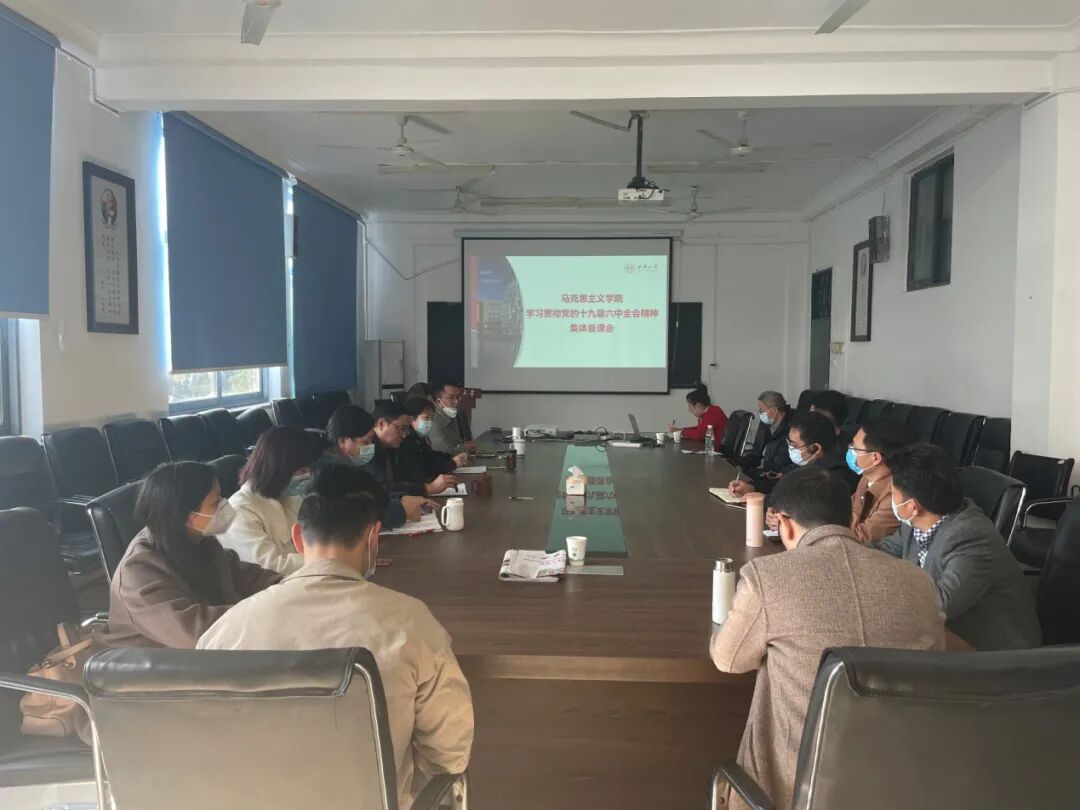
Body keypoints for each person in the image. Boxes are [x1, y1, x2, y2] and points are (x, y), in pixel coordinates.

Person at [199, 464, 474, 810]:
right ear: (373, 538)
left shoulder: (228, 629)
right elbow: (449, 750)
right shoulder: (411, 623)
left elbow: (208, 742)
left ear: (297, 538)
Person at [711, 467, 945, 810]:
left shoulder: (768, 577)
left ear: (784, 523)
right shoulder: (918, 581)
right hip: (898, 787)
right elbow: (935, 661)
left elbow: (728, 659)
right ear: (850, 518)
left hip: (795, 792)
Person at [873, 444, 1042, 650]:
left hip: (993, 651)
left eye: (892, 493)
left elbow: (940, 604)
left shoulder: (970, 537)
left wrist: (880, 592)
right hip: (946, 632)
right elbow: (883, 549)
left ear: (913, 506)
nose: (890, 499)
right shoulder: (916, 523)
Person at [105, 462, 280, 648]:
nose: (225, 506)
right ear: (187, 514)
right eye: (216, 502)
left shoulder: (198, 541)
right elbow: (197, 632)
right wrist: (267, 611)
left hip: (202, 653)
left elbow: (244, 576)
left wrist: (290, 587)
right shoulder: (137, 573)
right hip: (151, 662)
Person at [217, 426, 328, 575]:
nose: (307, 476)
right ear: (278, 470)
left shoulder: (291, 499)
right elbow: (272, 567)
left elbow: (318, 541)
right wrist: (325, 560)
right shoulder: (239, 512)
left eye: (310, 470)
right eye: (301, 471)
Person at [324, 404, 437, 528]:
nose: (370, 447)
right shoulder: (329, 474)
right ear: (342, 441)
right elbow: (355, 513)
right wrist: (400, 509)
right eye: (366, 442)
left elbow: (374, 492)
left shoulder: (351, 465)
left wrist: (402, 498)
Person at [729, 410, 855, 501]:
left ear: (816, 448)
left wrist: (766, 501)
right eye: (789, 442)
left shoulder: (834, 475)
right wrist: (752, 487)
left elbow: (804, 504)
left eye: (794, 445)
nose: (790, 448)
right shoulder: (811, 461)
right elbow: (785, 484)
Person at [365, 401, 458, 497]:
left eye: (407, 430)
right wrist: (427, 488)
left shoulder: (391, 447)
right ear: (381, 424)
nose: (404, 435)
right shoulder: (367, 450)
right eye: (401, 429)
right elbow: (382, 489)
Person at [847, 417, 909, 544]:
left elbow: (862, 538)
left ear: (875, 458)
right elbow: (845, 510)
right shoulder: (866, 478)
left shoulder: (895, 496)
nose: (850, 449)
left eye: (854, 447)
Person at [396, 397, 469, 490]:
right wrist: (451, 464)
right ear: (412, 419)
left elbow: (430, 456)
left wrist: (450, 458)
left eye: (432, 418)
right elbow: (424, 467)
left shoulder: (420, 437)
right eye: (426, 418)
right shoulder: (407, 440)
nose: (430, 422)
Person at [738, 391, 793, 478]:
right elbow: (756, 451)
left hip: (775, 474)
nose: (760, 414)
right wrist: (741, 465)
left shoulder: (791, 428)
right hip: (761, 469)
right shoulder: (766, 422)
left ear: (774, 410)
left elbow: (781, 462)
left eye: (762, 411)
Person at [673, 385, 728, 451]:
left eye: (690, 407)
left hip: (717, 452)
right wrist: (681, 429)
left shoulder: (713, 413)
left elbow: (700, 435)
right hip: (710, 448)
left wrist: (682, 433)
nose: (689, 410)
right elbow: (700, 429)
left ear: (698, 405)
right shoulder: (710, 411)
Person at [429, 382, 476, 456]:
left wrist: (467, 445)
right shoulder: (432, 420)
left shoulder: (453, 415)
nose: (456, 401)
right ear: (438, 401)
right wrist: (466, 449)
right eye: (451, 397)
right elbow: (444, 451)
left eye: (458, 397)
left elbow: (458, 443)